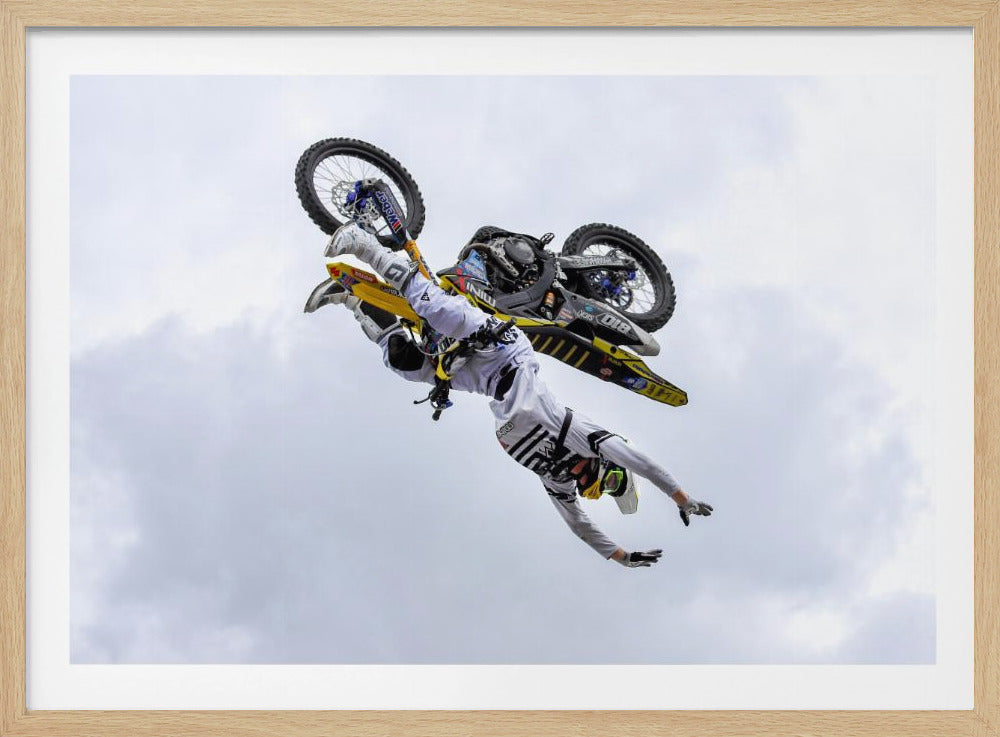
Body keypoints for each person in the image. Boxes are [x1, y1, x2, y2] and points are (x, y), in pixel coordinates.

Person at [305, 223, 713, 568]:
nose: (582, 480)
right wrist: (681, 496)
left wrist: (620, 557)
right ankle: (365, 244)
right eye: (594, 477)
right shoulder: (582, 435)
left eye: (587, 486)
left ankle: (355, 300)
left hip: (480, 379)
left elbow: (580, 526)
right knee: (437, 308)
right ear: (602, 464)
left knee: (409, 366)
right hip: (507, 351)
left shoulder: (555, 479)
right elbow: (641, 462)